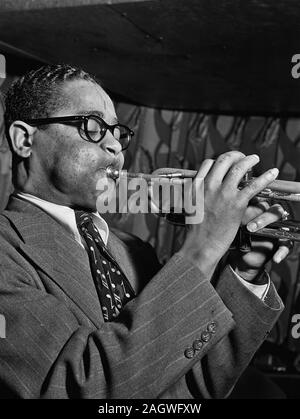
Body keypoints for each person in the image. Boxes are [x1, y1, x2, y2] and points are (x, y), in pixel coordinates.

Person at [0, 64, 289, 399]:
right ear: (24, 139)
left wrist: (244, 269)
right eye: (91, 126)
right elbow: (82, 387)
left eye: (117, 132)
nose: (115, 146)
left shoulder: (134, 250)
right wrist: (204, 247)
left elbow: (197, 385)